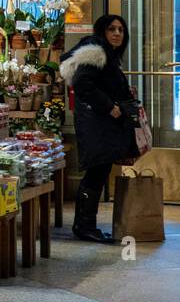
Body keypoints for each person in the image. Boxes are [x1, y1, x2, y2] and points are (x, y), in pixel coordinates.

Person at [58, 14, 139, 243]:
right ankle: (84, 226)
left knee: (99, 172)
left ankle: (85, 224)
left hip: (100, 124)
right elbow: (82, 84)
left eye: (121, 30)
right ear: (102, 31)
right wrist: (110, 106)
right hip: (98, 124)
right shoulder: (96, 51)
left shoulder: (106, 53)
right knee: (96, 173)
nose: (117, 34)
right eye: (111, 29)